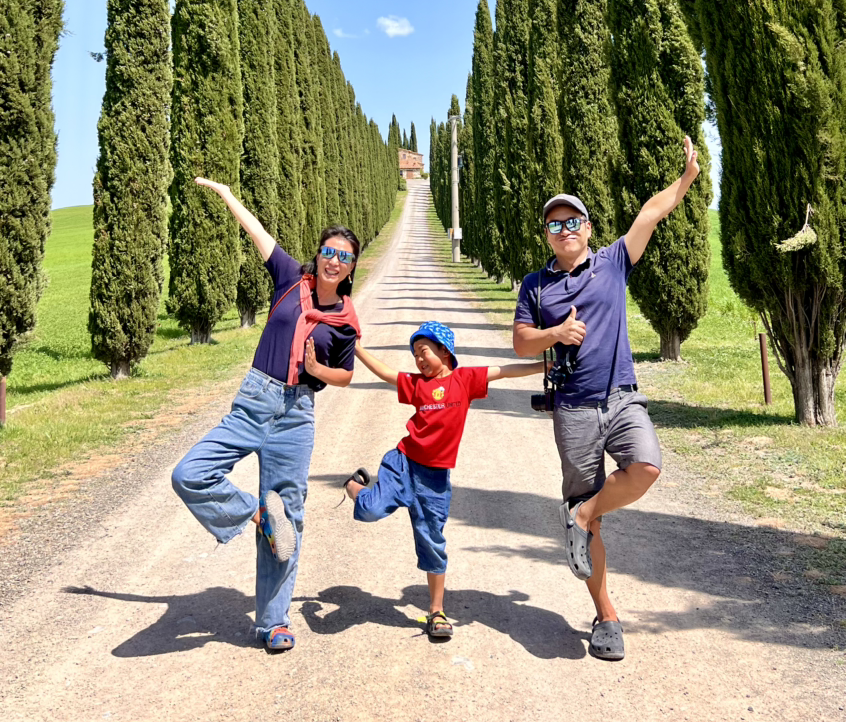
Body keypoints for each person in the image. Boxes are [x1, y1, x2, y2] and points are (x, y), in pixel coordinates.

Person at [512, 136, 701, 662]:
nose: (565, 230)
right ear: (547, 235)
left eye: (573, 221)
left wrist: (686, 179)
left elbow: (650, 213)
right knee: (593, 522)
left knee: (646, 466)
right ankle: (607, 616)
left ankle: (579, 516)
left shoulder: (613, 262)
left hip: (620, 398)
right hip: (572, 408)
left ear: (588, 229)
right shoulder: (535, 286)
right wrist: (556, 334)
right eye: (555, 225)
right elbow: (521, 342)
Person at [171, 177, 361, 652]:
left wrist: (318, 369)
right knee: (189, 473)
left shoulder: (345, 321)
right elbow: (257, 231)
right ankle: (255, 514)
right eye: (328, 251)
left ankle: (273, 622)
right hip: (255, 400)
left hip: (297, 414)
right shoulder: (288, 278)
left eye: (343, 256)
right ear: (317, 255)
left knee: (290, 516)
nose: (334, 260)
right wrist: (226, 194)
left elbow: (345, 375)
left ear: (351, 267)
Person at [345, 320, 544, 638]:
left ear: (444, 351)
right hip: (404, 463)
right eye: (414, 354)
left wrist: (543, 366)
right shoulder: (416, 384)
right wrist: (357, 348)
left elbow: (505, 371)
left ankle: (436, 612)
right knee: (370, 509)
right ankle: (353, 485)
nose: (418, 359)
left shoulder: (465, 380)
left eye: (423, 351)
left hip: (435, 480)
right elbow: (386, 373)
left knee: (432, 543)